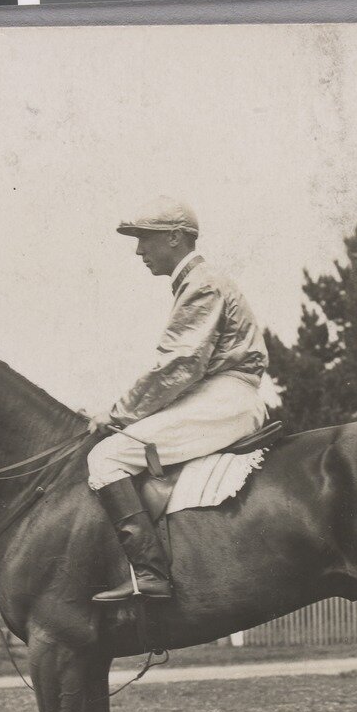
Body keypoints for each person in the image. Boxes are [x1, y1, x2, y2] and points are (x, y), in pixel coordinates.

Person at [81, 197, 270, 602]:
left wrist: (118, 415)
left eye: (145, 239)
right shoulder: (195, 283)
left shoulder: (203, 283)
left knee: (107, 457)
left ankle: (151, 574)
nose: (138, 250)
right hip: (219, 394)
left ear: (175, 237)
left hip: (225, 397)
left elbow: (179, 365)